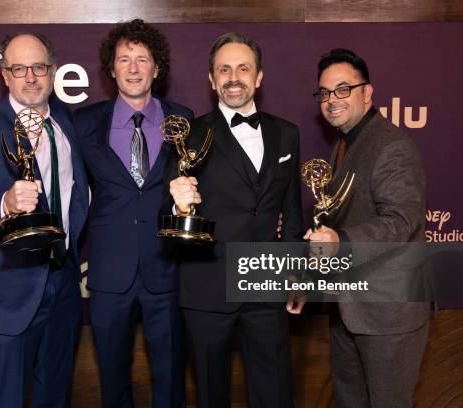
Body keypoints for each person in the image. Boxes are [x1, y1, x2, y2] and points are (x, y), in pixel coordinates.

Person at [164, 32, 304, 407]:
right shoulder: (190, 135)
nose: (233, 77)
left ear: (259, 77)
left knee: (274, 391)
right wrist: (178, 207)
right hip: (207, 284)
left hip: (266, 282)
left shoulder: (287, 133)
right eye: (223, 69)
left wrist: (295, 268)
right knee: (211, 394)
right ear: (211, 80)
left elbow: (292, 208)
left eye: (243, 68)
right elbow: (167, 210)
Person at [0, 33, 88, 407]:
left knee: (55, 397)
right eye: (19, 68)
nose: (31, 77)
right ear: (4, 75)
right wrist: (4, 203)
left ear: (53, 71)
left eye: (39, 67)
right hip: (9, 295)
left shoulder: (65, 124)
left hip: (63, 287)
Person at [73, 19, 192, 408]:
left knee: (171, 375)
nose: (134, 68)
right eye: (125, 59)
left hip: (167, 268)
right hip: (109, 273)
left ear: (158, 68)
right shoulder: (84, 123)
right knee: (112, 376)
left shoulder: (184, 121)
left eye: (143, 59)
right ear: (111, 68)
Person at [304, 48, 429, 407]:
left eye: (343, 89)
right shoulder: (343, 144)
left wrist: (340, 240)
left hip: (389, 315)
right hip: (349, 308)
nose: (331, 100)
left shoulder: (391, 146)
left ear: (367, 92)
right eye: (325, 93)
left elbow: (401, 221)